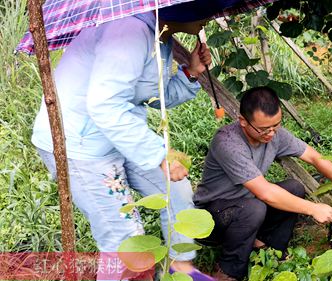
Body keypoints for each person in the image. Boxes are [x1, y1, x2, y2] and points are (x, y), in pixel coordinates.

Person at [32, 5, 214, 280]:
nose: (209, 12)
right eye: (205, 6)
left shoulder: (159, 36)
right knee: (125, 242)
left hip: (117, 136)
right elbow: (105, 105)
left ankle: (181, 270)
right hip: (82, 146)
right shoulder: (129, 31)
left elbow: (152, 96)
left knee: (175, 189)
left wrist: (191, 72)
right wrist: (159, 155)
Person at [193, 86, 332, 280]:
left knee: (294, 188)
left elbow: (316, 157)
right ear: (243, 122)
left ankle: (270, 249)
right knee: (254, 208)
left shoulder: (275, 134)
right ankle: (228, 270)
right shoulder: (228, 143)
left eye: (276, 125)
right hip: (211, 218)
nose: (271, 134)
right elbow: (266, 193)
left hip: (248, 204)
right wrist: (313, 208)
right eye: (264, 129)